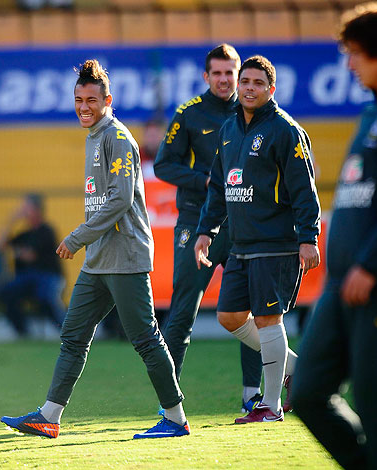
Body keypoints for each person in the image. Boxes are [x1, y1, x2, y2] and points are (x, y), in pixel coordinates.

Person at [1, 59, 189, 439]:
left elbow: (120, 199)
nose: (84, 106)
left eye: (91, 99)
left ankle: (176, 419)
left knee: (145, 338)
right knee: (73, 335)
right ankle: (49, 417)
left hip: (125, 257)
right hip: (99, 261)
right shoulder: (94, 137)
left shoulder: (116, 137)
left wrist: (77, 237)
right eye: (78, 99)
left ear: (108, 100)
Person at [291, 3, 377, 468]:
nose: (349, 64)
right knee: (307, 393)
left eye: (355, 53)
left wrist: (371, 264)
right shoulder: (371, 114)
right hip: (342, 284)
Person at [195, 55, 321, 423]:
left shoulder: (285, 130)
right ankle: (297, 370)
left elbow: (304, 189)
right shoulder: (230, 128)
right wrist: (206, 230)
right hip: (241, 243)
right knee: (230, 317)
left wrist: (308, 237)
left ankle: (270, 405)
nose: (249, 88)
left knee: (268, 318)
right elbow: (219, 185)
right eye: (245, 81)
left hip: (276, 242)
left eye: (257, 83)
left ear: (271, 89)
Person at [154, 43, 263, 414]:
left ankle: (253, 396)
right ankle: (168, 404)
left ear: (237, 75)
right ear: (206, 76)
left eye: (229, 73)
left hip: (242, 224)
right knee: (183, 309)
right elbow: (163, 166)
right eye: (216, 73)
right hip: (194, 221)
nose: (223, 79)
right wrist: (205, 181)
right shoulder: (189, 113)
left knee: (246, 313)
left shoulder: (254, 112)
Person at [0, 193, 65, 337]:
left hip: (48, 276)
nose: (24, 212)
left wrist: (18, 252)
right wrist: (12, 221)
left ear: (36, 210)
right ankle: (23, 332)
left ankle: (68, 332)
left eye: (27, 208)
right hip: (27, 278)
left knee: (46, 297)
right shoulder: (24, 234)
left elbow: (30, 256)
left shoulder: (47, 231)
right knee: (7, 292)